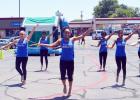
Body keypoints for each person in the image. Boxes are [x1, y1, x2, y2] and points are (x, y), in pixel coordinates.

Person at [38, 27, 92, 96]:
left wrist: (89, 30)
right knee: (62, 77)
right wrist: (42, 44)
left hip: (70, 62)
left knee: (70, 77)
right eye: (65, 32)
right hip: (62, 61)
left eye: (68, 32)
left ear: (70, 33)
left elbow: (82, 36)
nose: (67, 33)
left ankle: (69, 90)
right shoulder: (60, 40)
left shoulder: (72, 39)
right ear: (63, 33)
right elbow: (52, 45)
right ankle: (64, 85)